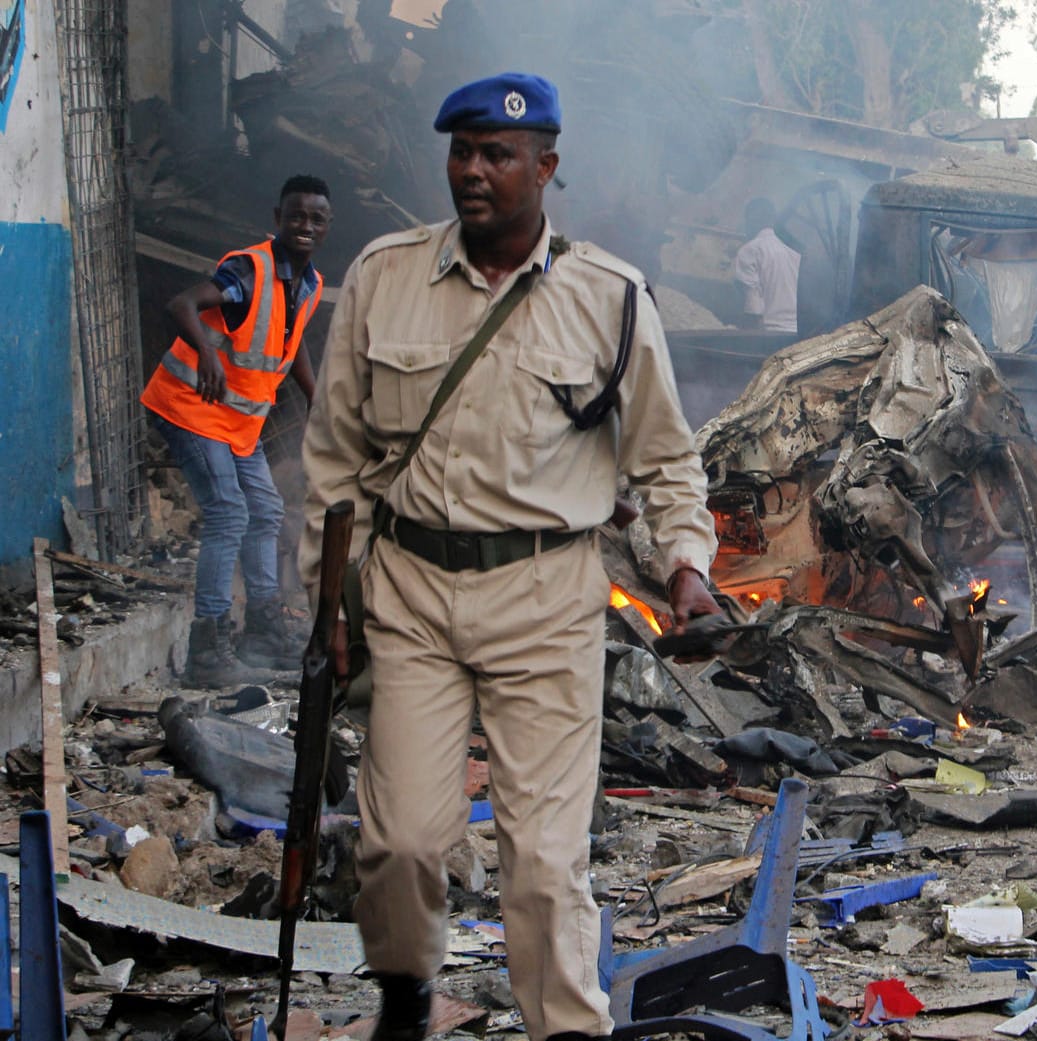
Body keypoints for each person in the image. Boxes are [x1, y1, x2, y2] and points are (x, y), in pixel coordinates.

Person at [298, 73, 720, 1040]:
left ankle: (566, 1029)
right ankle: (405, 992)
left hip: (548, 595)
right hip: (410, 592)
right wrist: (331, 603)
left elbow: (664, 455)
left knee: (543, 859)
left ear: (547, 166)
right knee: (400, 841)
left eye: (497, 155)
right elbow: (335, 458)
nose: (474, 172)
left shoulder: (609, 298)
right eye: (462, 152)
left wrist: (687, 565)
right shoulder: (382, 275)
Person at [140, 174, 333, 686]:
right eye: (296, 216)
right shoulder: (248, 270)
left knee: (265, 509)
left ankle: (263, 631)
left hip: (237, 422)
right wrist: (205, 350)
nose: (305, 226)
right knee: (229, 512)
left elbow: (293, 345)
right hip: (189, 406)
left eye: (316, 218)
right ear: (278, 219)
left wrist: (316, 398)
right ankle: (209, 648)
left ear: (327, 225)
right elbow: (182, 304)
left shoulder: (309, 283)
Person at [731, 197, 800, 333]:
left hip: (769, 334)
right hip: (793, 333)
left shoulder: (749, 250)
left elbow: (754, 307)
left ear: (751, 219)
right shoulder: (793, 255)